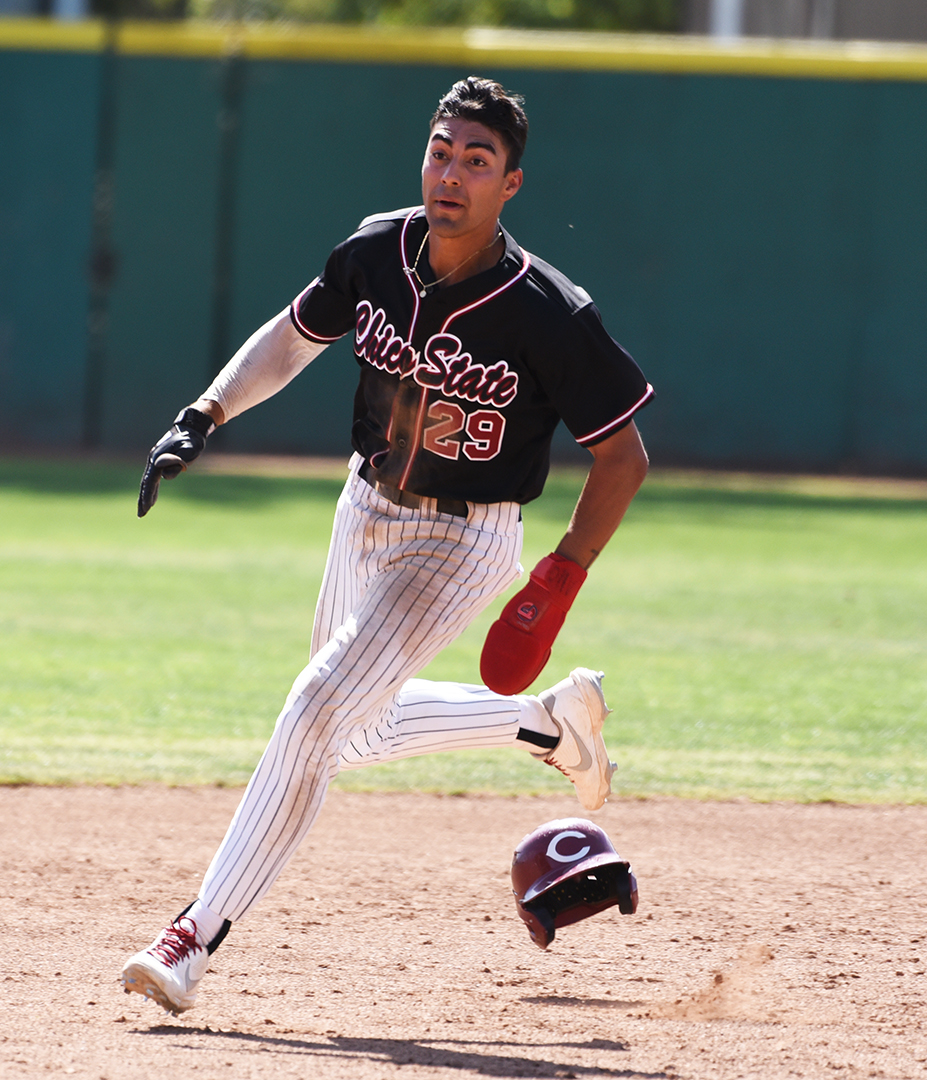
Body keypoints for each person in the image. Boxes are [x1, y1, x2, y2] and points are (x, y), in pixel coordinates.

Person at [122, 76, 655, 1017]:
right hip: (364, 510)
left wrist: (563, 569)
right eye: (442, 150)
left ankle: (193, 936)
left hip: (463, 541)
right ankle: (546, 722)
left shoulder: (549, 312)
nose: (451, 173)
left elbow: (622, 456)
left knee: (317, 708)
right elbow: (293, 339)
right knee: (352, 729)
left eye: (476, 161)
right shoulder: (376, 251)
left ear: (511, 185)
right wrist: (204, 412)